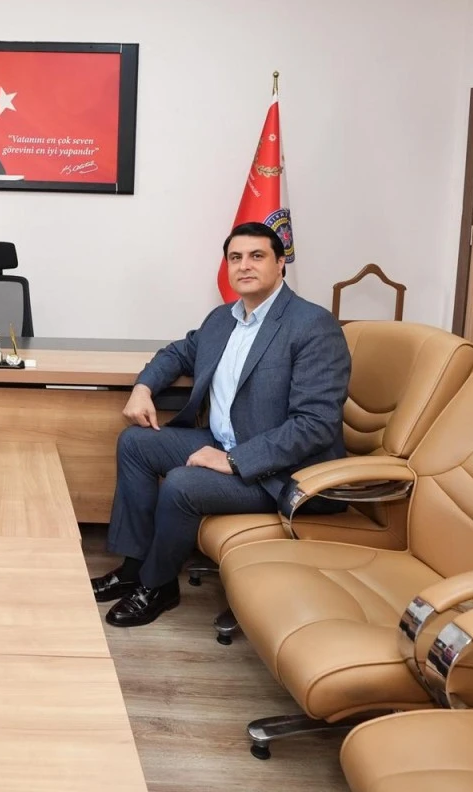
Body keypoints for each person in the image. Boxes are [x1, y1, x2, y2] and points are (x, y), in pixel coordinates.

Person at [91, 222, 350, 628]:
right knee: (136, 442)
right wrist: (143, 388)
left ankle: (158, 585)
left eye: (257, 256)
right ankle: (134, 567)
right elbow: (177, 353)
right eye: (235, 258)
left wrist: (233, 460)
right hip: (224, 441)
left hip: (281, 472)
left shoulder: (312, 325)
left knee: (182, 484)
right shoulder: (222, 319)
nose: (244, 265)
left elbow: (315, 424)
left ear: (281, 264)